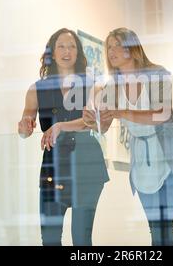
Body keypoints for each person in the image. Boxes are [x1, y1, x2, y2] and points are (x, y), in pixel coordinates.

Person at [83, 27, 173, 246]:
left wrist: (120, 112)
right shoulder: (111, 86)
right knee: (156, 228)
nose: (112, 51)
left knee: (163, 225)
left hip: (170, 156)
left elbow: (163, 115)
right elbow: (102, 125)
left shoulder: (157, 73)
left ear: (132, 48)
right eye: (109, 47)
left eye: (117, 44)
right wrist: (90, 119)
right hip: (142, 163)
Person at [18, 28, 109, 246]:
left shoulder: (93, 85)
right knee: (49, 239)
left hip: (86, 161)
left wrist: (61, 126)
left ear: (78, 52)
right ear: (52, 51)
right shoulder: (37, 89)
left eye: (71, 46)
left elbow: (96, 122)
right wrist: (24, 127)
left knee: (81, 239)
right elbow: (24, 130)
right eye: (61, 46)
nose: (66, 51)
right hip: (54, 164)